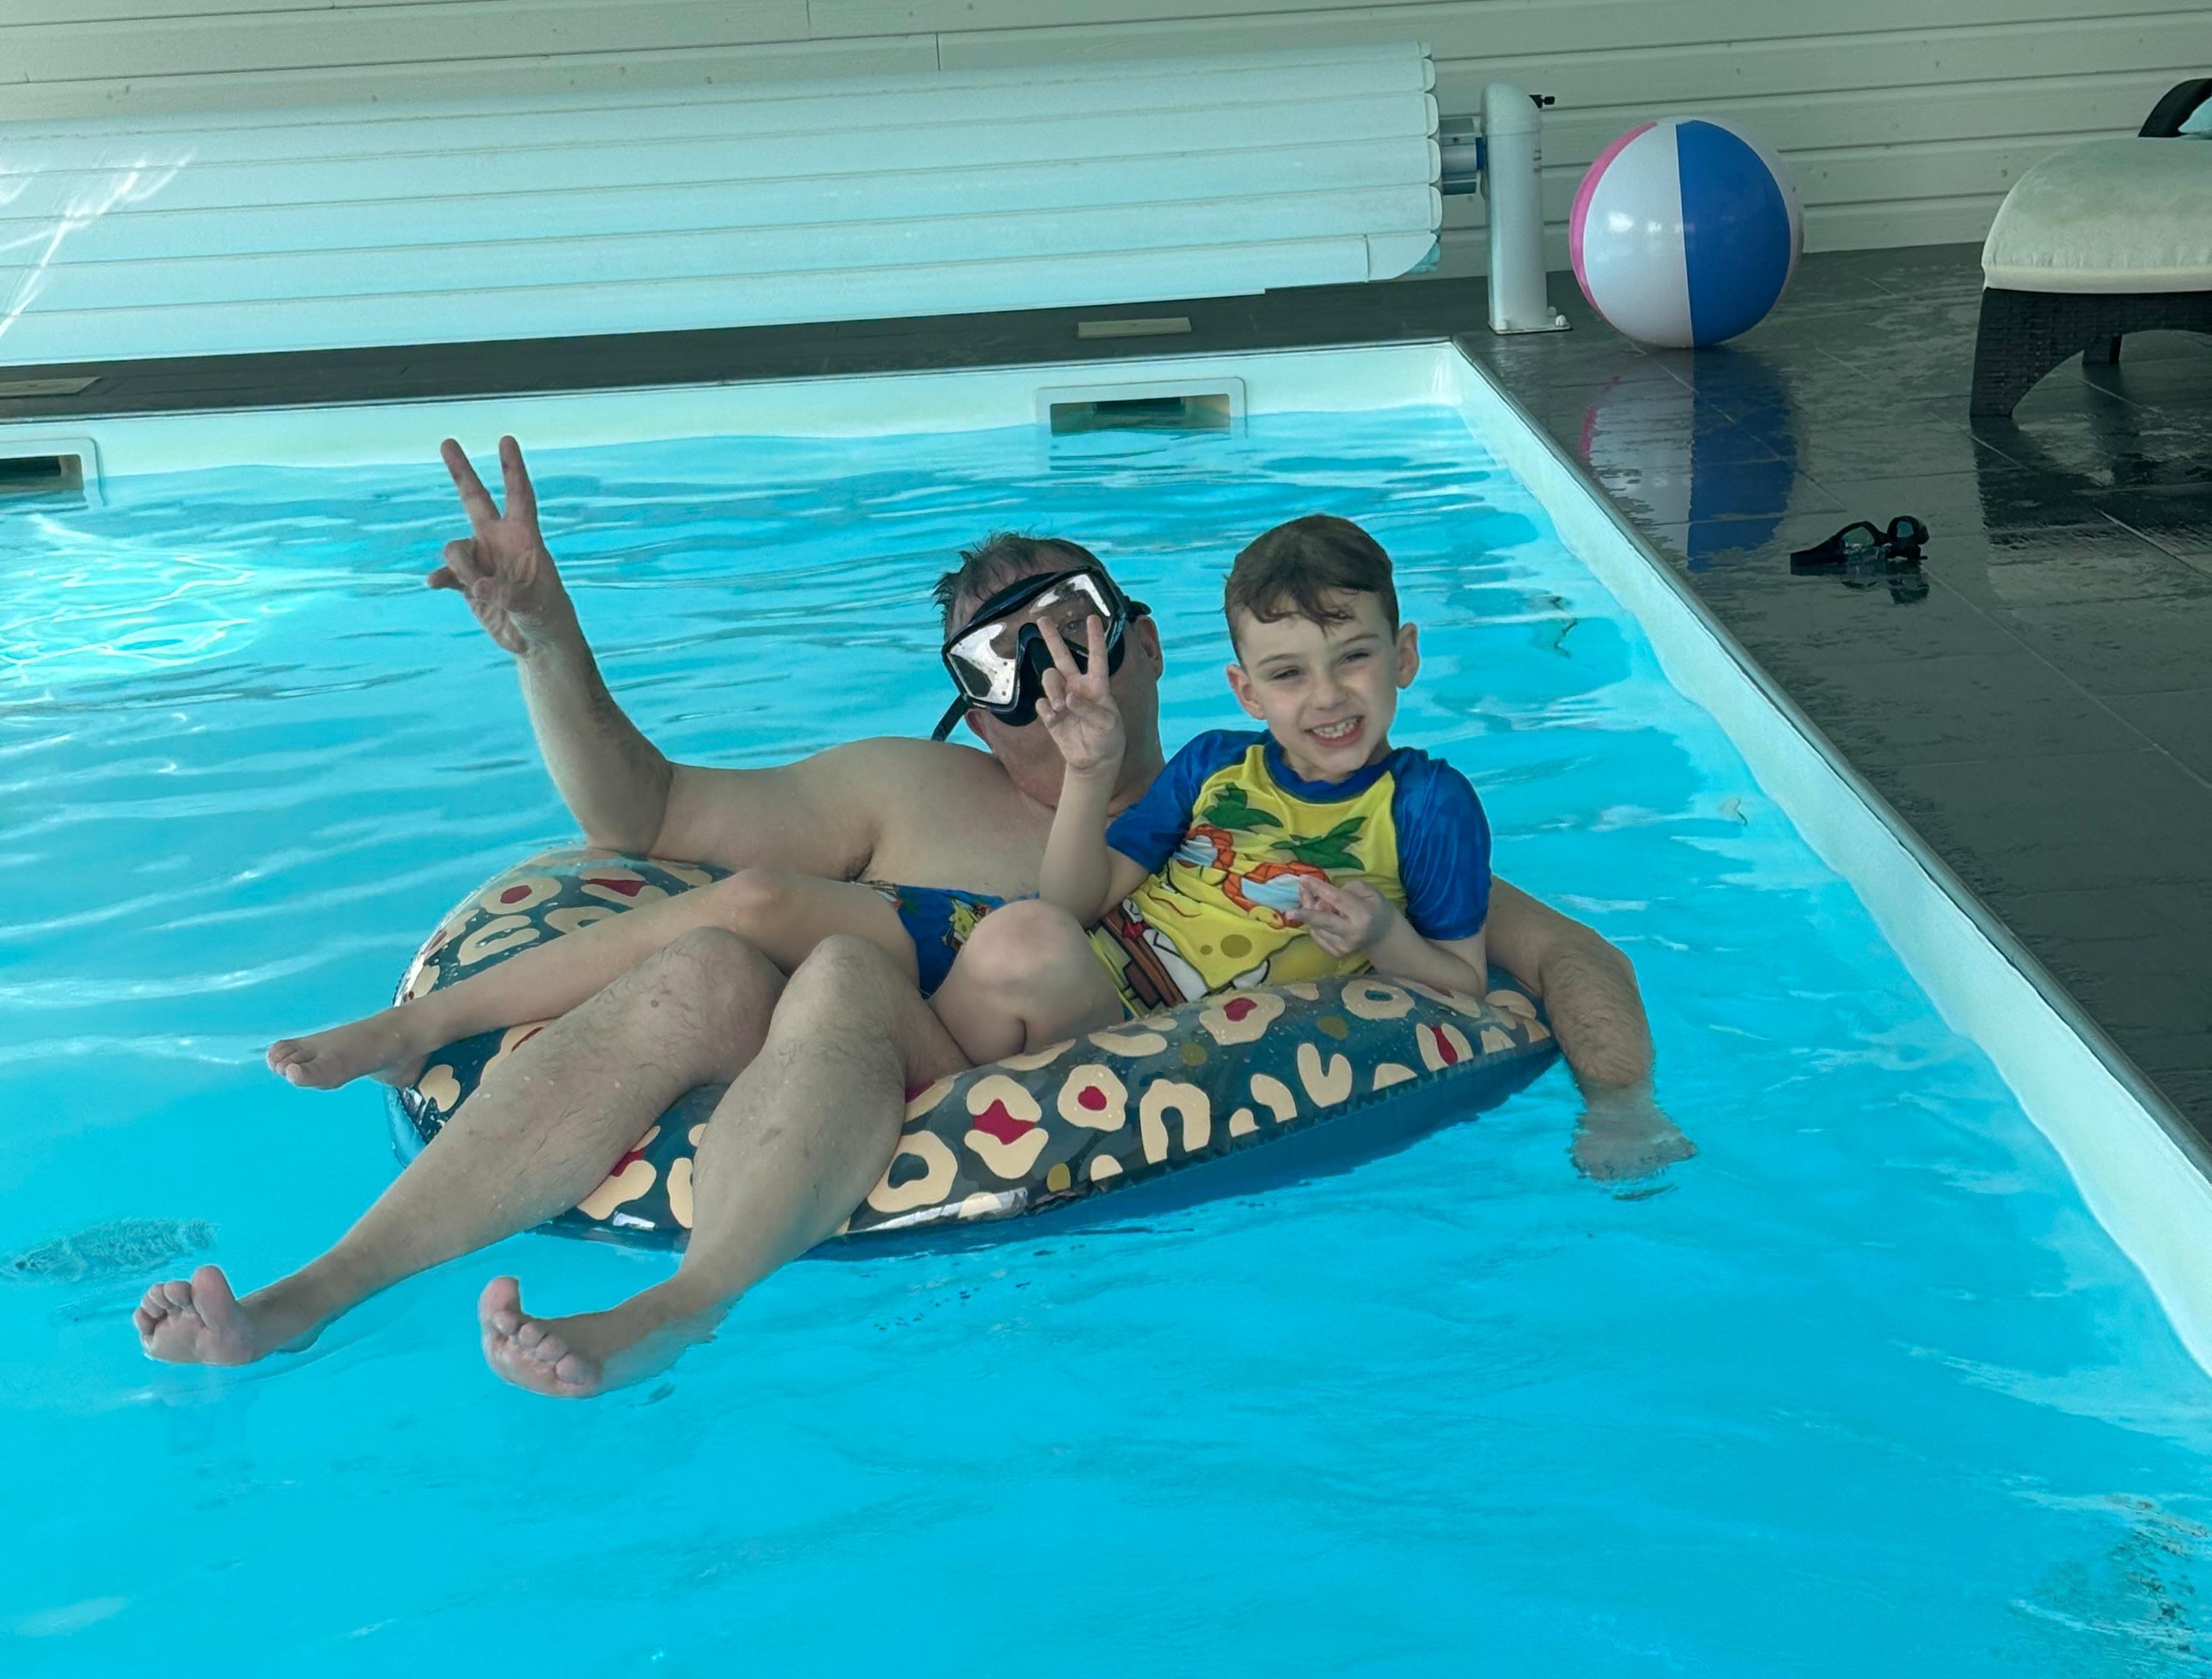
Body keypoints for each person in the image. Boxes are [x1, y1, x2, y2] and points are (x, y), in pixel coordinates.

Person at [134, 439, 1692, 1392]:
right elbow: (641, 820)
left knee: (854, 972)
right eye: (996, 672)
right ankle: (298, 1301)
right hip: (891, 1034)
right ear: (961, 705)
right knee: (714, 966)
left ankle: (675, 1311)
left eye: (1073, 637)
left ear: (1154, 646)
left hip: (1026, 1066)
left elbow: (1557, 958)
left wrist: (1620, 1103)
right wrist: (545, 641)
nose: (1047, 689)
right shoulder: (902, 793)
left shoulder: (1268, 799)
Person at [924, 512, 1494, 1063]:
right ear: (1247, 692)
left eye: (1353, 658)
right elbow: (1072, 907)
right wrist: (1089, 771)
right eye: (1288, 674)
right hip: (1087, 983)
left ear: (1405, 656)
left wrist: (1383, 934)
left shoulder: (1429, 806)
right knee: (1021, 936)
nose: (1326, 697)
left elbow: (1466, 984)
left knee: (1020, 940)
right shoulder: (1213, 764)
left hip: (1163, 1046)